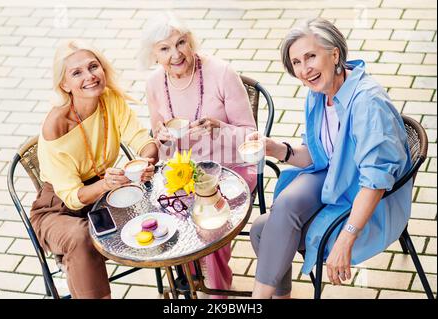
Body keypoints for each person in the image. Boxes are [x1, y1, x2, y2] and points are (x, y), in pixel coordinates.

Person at [247, 18, 412, 299]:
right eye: (296, 62)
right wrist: (276, 148)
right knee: (267, 224)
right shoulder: (319, 94)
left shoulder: (367, 104)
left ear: (334, 54)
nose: (304, 69)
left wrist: (347, 237)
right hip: (337, 181)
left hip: (371, 204)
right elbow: (319, 155)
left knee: (267, 230)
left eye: (310, 56)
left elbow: (375, 182)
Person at [139, 12, 257, 297]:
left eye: (181, 43)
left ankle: (217, 291)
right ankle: (191, 282)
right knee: (169, 213)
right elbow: (158, 134)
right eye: (165, 48)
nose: (176, 54)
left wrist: (219, 129)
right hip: (182, 171)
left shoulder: (221, 73)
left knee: (210, 223)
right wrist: (161, 137)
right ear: (154, 55)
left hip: (231, 168)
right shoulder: (155, 83)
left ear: (190, 42)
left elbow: (251, 136)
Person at [30, 40, 158, 299]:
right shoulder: (56, 125)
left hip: (103, 196)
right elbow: (72, 197)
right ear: (64, 85)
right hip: (58, 208)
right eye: (77, 73)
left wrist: (146, 162)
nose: (89, 77)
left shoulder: (109, 99)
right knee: (82, 238)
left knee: (159, 203)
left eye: (93, 67)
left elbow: (143, 141)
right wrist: (107, 185)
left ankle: (181, 280)